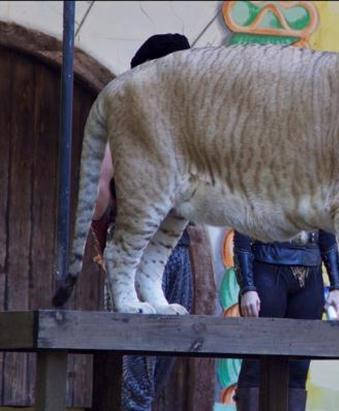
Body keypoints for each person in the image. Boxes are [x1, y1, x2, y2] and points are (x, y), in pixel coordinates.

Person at [91, 33, 194, 411]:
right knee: (133, 380)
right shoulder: (128, 118)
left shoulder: (188, 121)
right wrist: (107, 239)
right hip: (134, 246)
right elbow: (98, 196)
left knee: (160, 370)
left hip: (177, 251)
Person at [233, 229, 339, 411]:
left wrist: (337, 287)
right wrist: (247, 287)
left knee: (298, 369)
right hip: (267, 270)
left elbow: (327, 230)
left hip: (311, 276)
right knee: (255, 364)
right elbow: (242, 228)